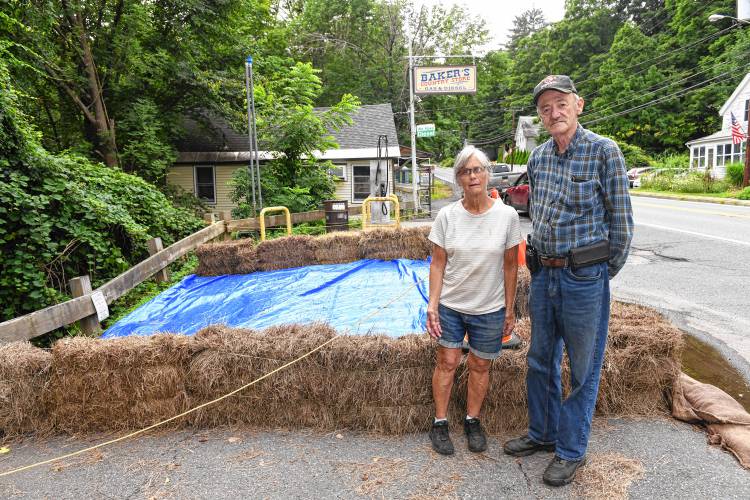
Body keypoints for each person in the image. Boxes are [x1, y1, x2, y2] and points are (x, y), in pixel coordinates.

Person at [502, 75, 634, 485]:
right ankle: (542, 434)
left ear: (578, 104)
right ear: (540, 117)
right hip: (543, 275)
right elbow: (536, 213)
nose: (553, 112)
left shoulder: (603, 151)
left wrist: (596, 272)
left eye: (560, 103)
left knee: (582, 367)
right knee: (540, 359)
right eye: (545, 108)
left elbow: (622, 225)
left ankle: (570, 449)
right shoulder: (538, 157)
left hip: (583, 277)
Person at [426, 145, 522, 455]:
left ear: (487, 174)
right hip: (451, 305)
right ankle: (440, 422)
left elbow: (510, 266)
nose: (472, 176)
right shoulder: (447, 216)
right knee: (447, 361)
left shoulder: (506, 216)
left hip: (490, 308)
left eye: (477, 169)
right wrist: (432, 305)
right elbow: (438, 264)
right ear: (458, 179)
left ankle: (472, 420)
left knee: (480, 365)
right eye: (465, 171)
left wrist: (510, 308)